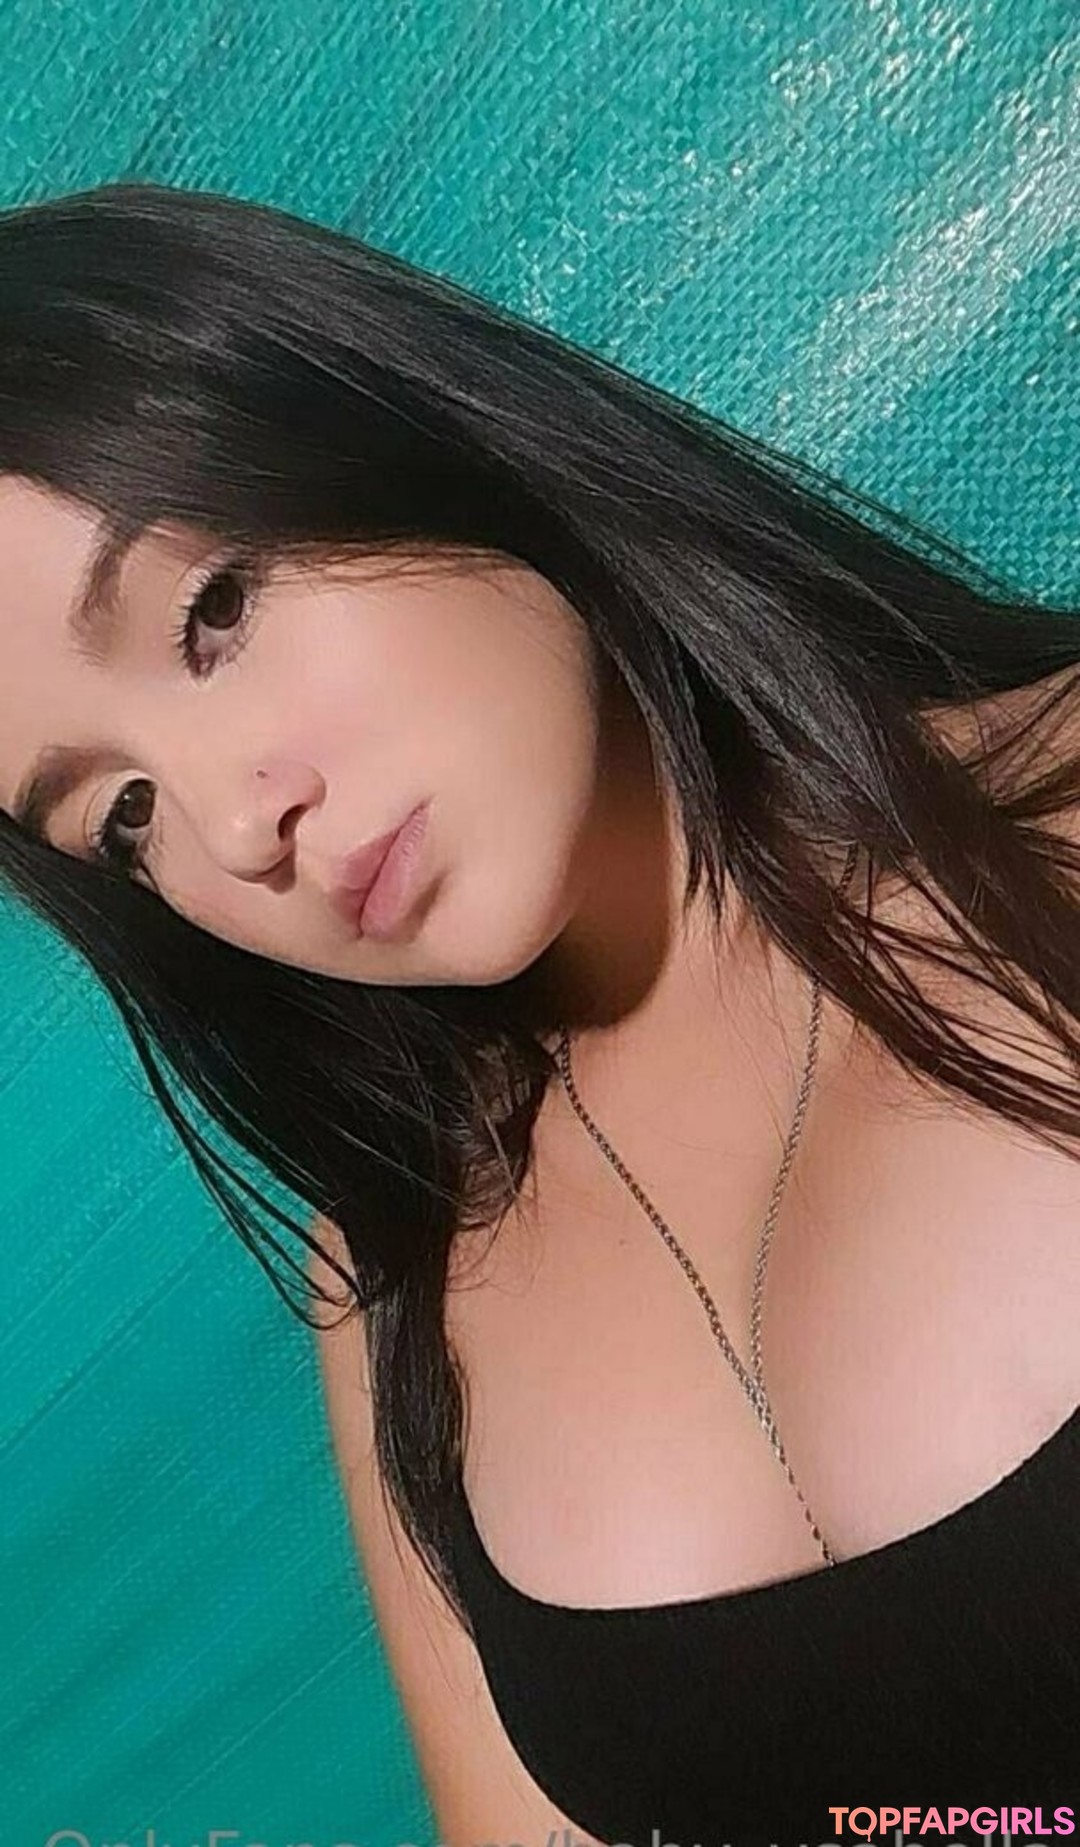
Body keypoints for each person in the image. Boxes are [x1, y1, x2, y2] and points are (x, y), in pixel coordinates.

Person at [0, 179, 1077, 1847]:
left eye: (215, 612)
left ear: (398, 426)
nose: (234, 822)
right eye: (120, 815)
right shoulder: (395, 1284)